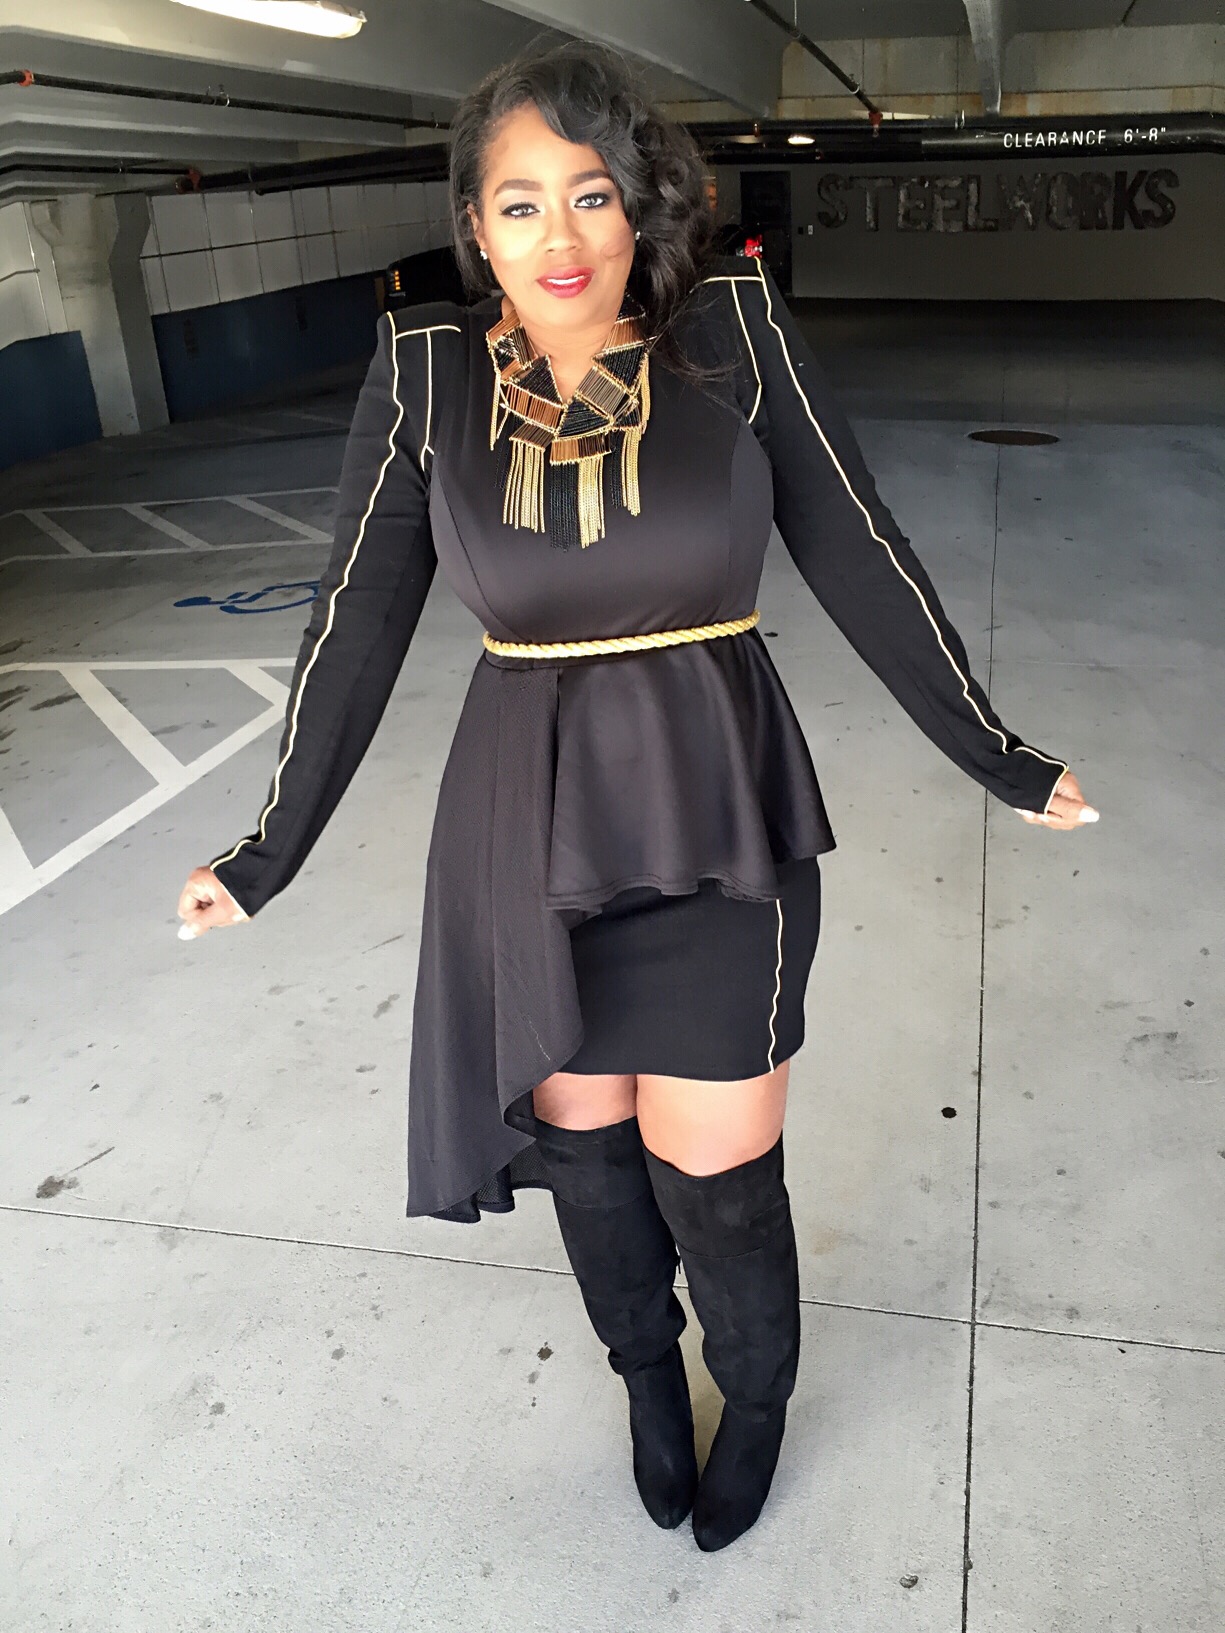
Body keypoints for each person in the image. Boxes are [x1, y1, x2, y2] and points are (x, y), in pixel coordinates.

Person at [177, 41, 1097, 1553]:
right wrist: (267, 847)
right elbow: (355, 613)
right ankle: (644, 1377)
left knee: (719, 1178)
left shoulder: (732, 336)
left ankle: (758, 1394)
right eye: (519, 204)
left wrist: (994, 750)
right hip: (522, 829)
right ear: (475, 228)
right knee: (593, 1162)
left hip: (716, 812)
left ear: (642, 205)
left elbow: (859, 548)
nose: (561, 236)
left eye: (592, 195)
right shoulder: (424, 374)